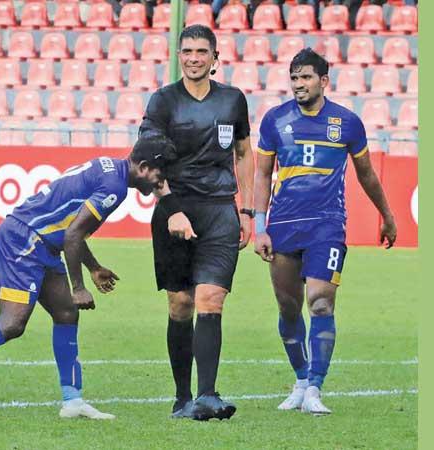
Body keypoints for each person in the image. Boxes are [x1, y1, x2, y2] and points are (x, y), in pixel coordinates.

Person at [0, 136, 174, 419]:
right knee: (13, 323)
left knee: (66, 313)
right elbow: (74, 234)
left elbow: (70, 227)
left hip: (41, 241)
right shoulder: (115, 188)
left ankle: (72, 401)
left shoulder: (110, 169)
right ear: (145, 167)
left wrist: (93, 267)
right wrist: (79, 287)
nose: (159, 184)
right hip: (23, 240)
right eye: (160, 176)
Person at [253, 48, 397, 415]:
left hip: (327, 224)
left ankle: (316, 386)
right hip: (283, 224)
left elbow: (366, 174)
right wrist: (258, 226)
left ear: (323, 80)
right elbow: (261, 175)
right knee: (288, 307)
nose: (299, 84)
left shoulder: (347, 123)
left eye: (305, 78)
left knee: (319, 299)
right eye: (295, 78)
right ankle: (301, 379)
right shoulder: (275, 120)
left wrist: (386, 214)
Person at [138, 24, 254, 421]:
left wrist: (248, 210)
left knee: (211, 298)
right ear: (178, 56)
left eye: (201, 52)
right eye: (186, 51)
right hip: (174, 208)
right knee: (181, 304)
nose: (193, 58)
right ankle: (182, 397)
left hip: (220, 209)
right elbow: (148, 162)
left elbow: (243, 152)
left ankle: (207, 395)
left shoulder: (233, 100)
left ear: (214, 57)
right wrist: (173, 209)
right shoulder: (163, 102)